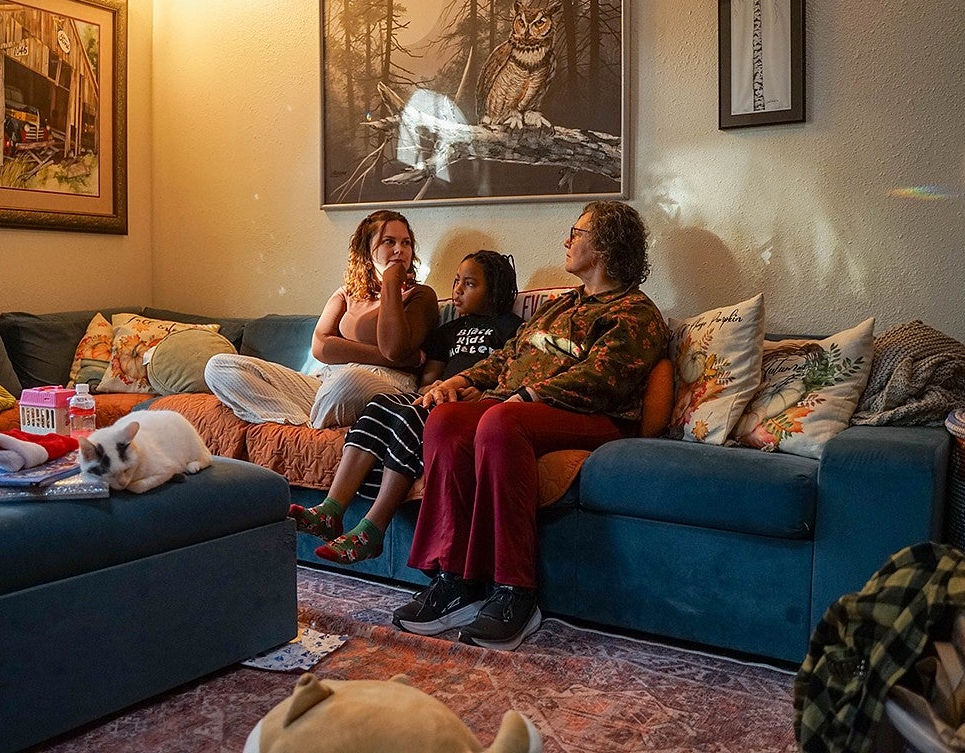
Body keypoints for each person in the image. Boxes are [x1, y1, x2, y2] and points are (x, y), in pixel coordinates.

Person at [392, 200, 669, 651]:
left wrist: (528, 396)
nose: (567, 239)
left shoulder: (635, 313)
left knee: (502, 422)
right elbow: (507, 356)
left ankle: (515, 591)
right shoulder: (558, 308)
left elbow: (602, 379)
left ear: (604, 246)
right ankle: (455, 580)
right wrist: (461, 379)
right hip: (523, 408)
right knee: (445, 422)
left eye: (576, 232)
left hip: (592, 418)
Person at [290, 250, 523, 564]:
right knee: (380, 406)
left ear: (494, 290)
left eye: (469, 284)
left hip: (467, 404)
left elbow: (514, 371)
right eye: (456, 281)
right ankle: (330, 511)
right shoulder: (448, 331)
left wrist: (481, 393)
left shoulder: (512, 328)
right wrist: (430, 387)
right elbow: (430, 375)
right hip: (434, 396)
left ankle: (372, 529)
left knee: (412, 415)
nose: (457, 290)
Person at [204, 210, 440, 429]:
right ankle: (300, 426)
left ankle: (310, 425)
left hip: (380, 384)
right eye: (389, 241)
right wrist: (400, 360)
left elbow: (394, 349)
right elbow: (321, 346)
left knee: (349, 381)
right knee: (219, 367)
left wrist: (390, 281)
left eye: (406, 242)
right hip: (326, 381)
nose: (400, 249)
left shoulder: (421, 295)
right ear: (367, 252)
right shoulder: (348, 293)